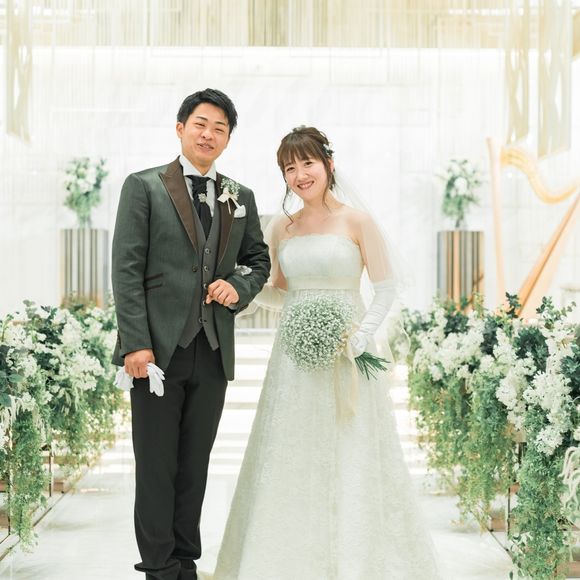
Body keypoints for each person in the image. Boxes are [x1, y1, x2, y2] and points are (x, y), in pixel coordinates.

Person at [211, 126, 440, 579]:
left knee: (352, 446)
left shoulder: (358, 222)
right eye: (289, 168)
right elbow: (280, 291)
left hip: (347, 353)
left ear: (328, 165)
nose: (299, 175)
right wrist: (241, 294)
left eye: (307, 163)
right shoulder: (282, 227)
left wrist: (361, 335)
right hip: (293, 359)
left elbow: (385, 287)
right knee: (290, 448)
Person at [111, 88, 271, 580]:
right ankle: (158, 567)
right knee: (156, 464)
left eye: (220, 128)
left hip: (213, 349)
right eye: (201, 124)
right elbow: (126, 269)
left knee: (195, 463)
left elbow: (258, 261)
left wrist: (238, 287)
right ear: (181, 128)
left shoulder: (240, 196)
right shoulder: (144, 186)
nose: (209, 134)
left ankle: (185, 560)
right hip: (158, 351)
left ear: (228, 139)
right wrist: (136, 343)